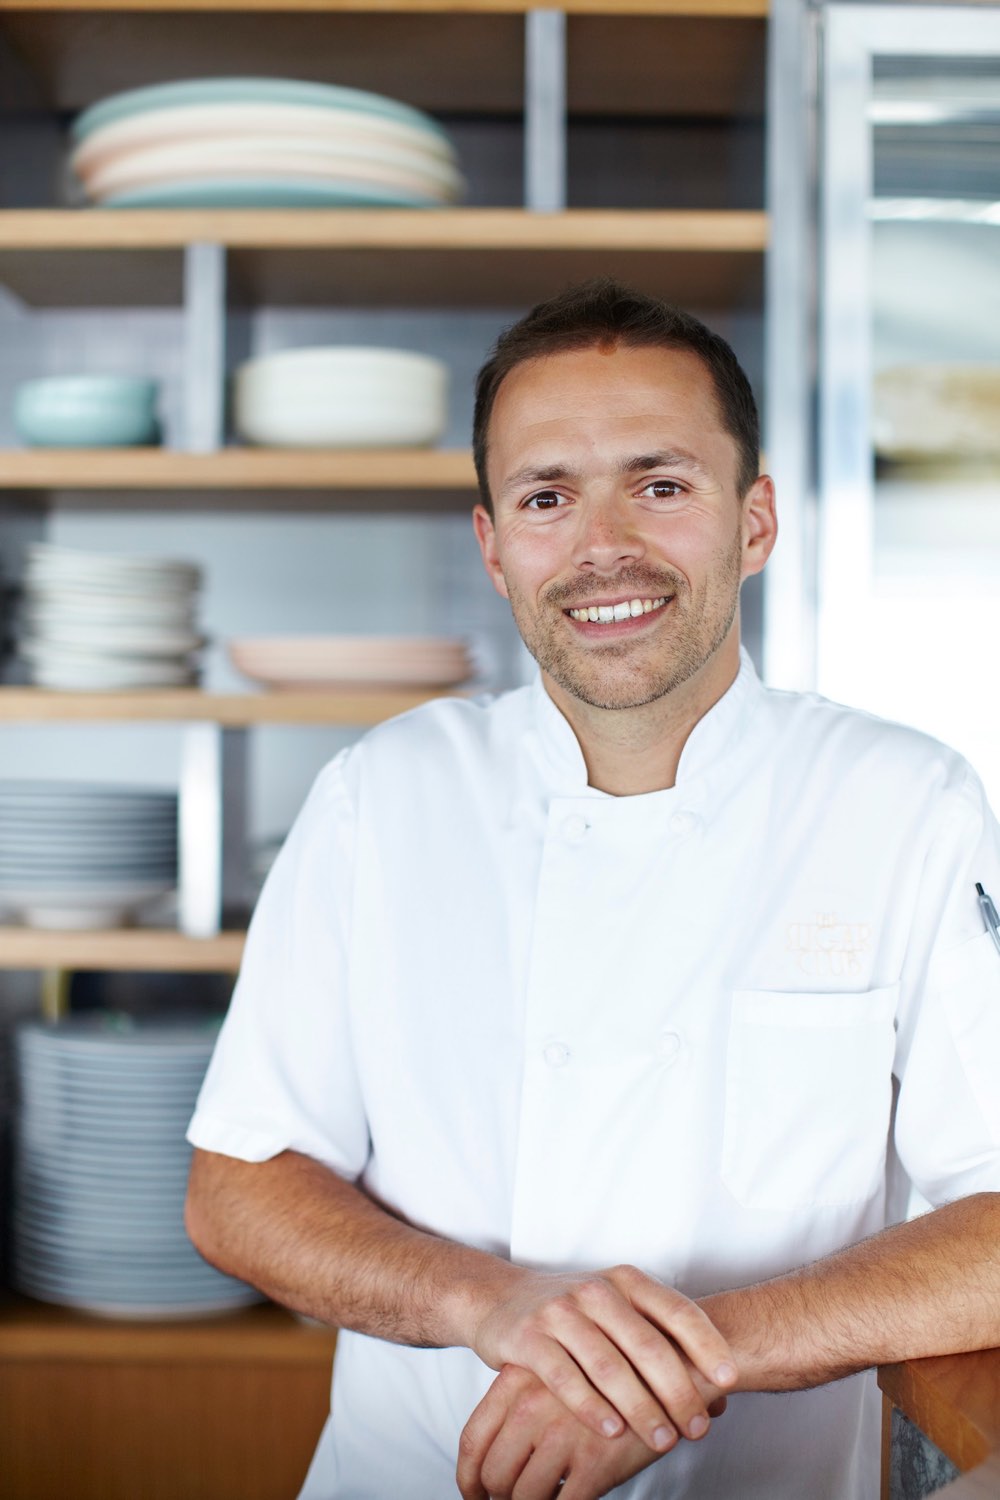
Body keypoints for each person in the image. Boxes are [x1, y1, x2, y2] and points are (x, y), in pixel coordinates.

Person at [185, 279, 1000, 1500]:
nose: (601, 546)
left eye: (659, 485)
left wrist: (687, 1357)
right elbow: (239, 1187)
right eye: (546, 497)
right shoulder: (382, 795)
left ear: (755, 522)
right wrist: (488, 1303)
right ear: (493, 548)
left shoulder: (904, 802)